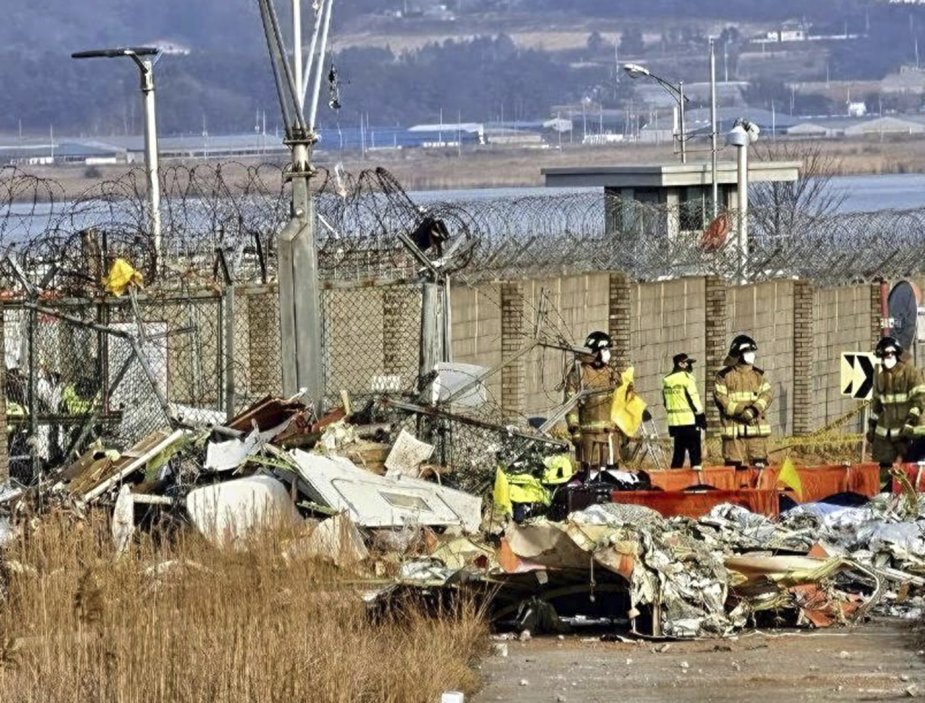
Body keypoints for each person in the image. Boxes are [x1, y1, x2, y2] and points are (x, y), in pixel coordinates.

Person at [867, 336, 925, 483]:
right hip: (886, 437)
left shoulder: (911, 374)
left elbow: (919, 401)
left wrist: (910, 423)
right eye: (883, 356)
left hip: (909, 433)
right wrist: (873, 428)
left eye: (889, 355)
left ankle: (908, 498)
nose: (886, 360)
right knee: (885, 471)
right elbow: (877, 407)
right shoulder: (880, 378)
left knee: (908, 469)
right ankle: (884, 498)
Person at [565, 331, 624, 467]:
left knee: (612, 479)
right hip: (589, 440)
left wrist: (624, 430)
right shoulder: (578, 373)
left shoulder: (611, 373)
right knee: (590, 479)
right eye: (605, 349)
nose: (608, 353)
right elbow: (570, 405)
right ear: (595, 352)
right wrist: (574, 430)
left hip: (610, 438)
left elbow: (621, 403)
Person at [713, 334, 773, 468]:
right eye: (748, 352)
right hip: (734, 435)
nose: (752, 355)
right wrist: (742, 411)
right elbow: (721, 399)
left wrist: (753, 410)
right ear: (738, 355)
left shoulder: (759, 376)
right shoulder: (723, 376)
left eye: (753, 352)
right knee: (734, 470)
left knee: (760, 467)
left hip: (756, 432)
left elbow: (767, 395)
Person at [662, 353, 706, 469]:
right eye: (688, 363)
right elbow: (694, 399)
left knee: (678, 457)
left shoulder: (667, 381)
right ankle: (697, 483)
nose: (690, 366)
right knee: (695, 457)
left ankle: (674, 482)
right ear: (681, 364)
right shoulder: (687, 379)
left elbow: (665, 403)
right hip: (690, 422)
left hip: (675, 424)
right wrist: (701, 418)